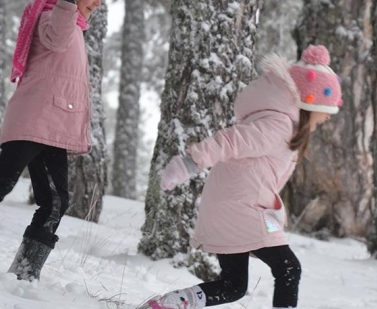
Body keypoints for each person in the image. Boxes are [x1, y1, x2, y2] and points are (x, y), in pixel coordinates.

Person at [142, 45, 343, 309]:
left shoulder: (282, 123)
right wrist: (188, 164)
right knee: (289, 269)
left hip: (237, 207)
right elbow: (230, 141)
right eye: (326, 109)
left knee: (233, 286)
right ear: (309, 102)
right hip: (241, 209)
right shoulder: (279, 125)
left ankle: (170, 304)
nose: (328, 117)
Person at [0, 0, 111, 281]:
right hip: (33, 122)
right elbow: (55, 39)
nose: (98, 2)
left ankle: (25, 274)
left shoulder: (76, 27)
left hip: (54, 128)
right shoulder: (53, 15)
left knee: (56, 203)